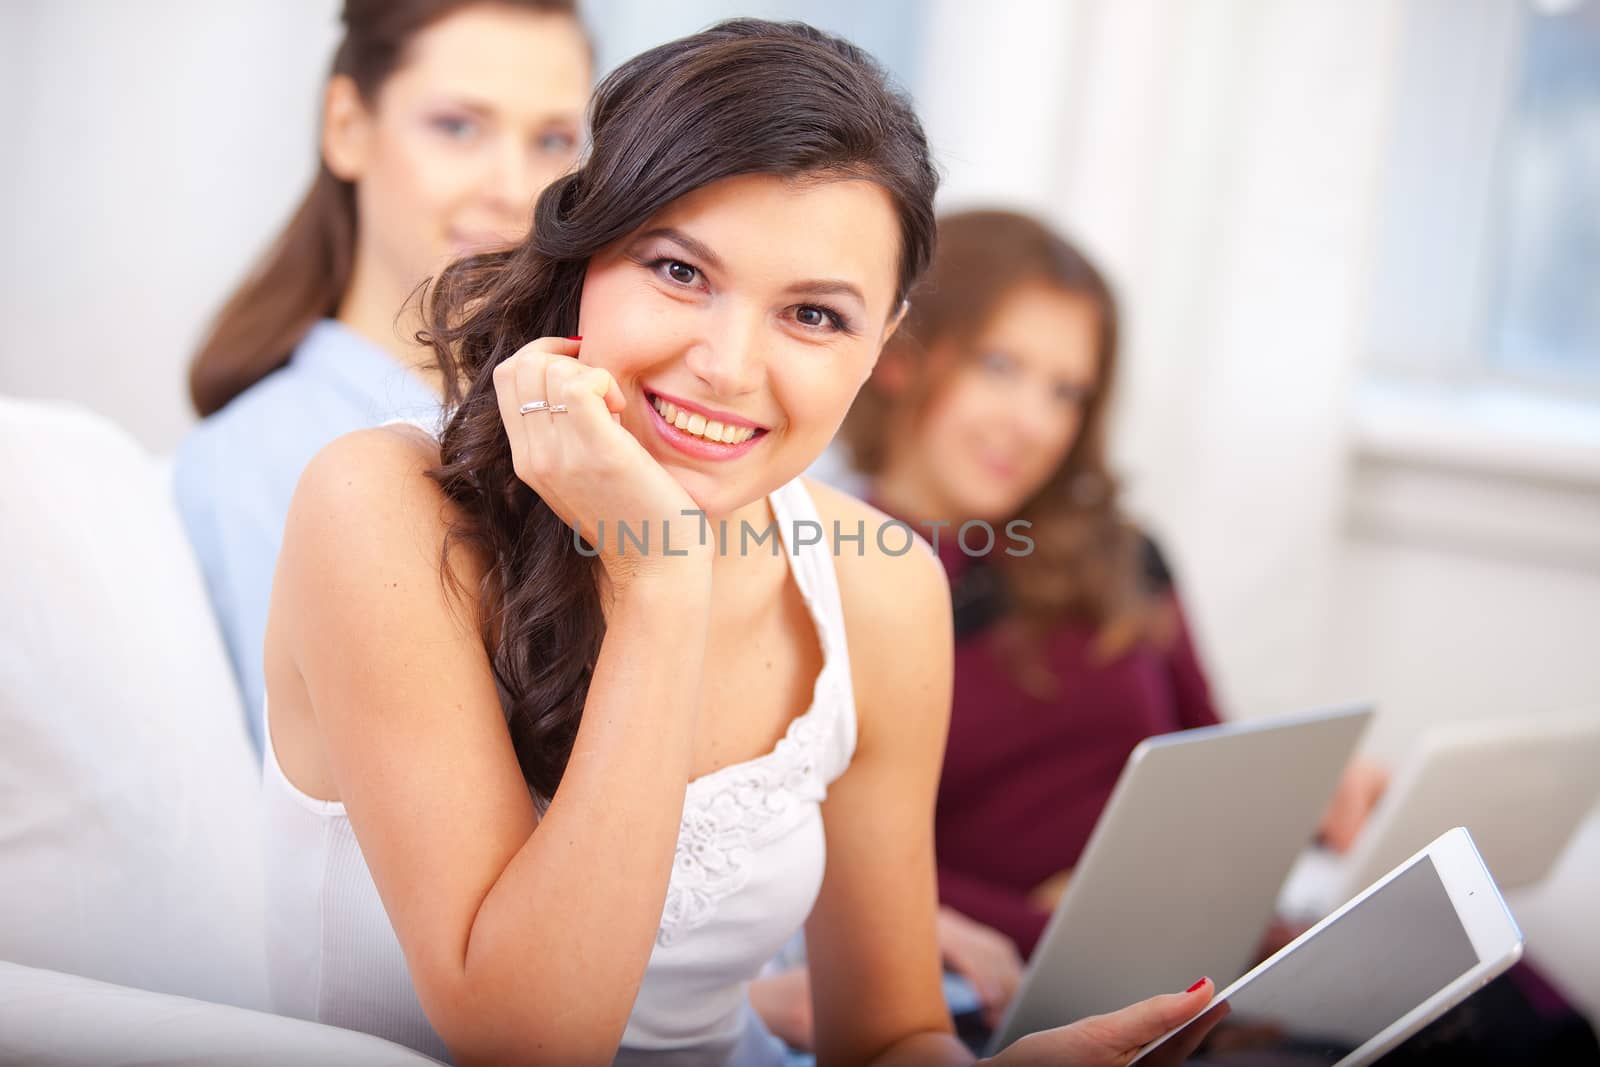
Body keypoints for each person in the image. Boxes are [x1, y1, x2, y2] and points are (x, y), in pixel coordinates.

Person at [260, 21, 1222, 1067]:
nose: (726, 364)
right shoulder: (378, 506)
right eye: (678, 269)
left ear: (881, 348)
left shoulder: (877, 580)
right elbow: (527, 1038)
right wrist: (663, 577)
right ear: (583, 256)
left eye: (813, 314)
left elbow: (891, 1033)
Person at [750, 210, 1389, 1048]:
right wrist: (1053, 924)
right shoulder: (833, 571)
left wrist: (1312, 800)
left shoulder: (1123, 554)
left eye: (1066, 391)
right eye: (1001, 366)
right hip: (1025, 977)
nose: (1032, 422)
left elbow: (1216, 763)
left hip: (1206, 949)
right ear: (903, 356)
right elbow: (831, 858)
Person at [174, 0, 591, 751]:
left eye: (553, 139)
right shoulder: (254, 461)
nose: (512, 186)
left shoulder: (582, 426)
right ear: (347, 127)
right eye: (458, 126)